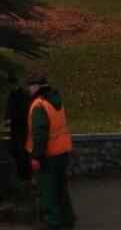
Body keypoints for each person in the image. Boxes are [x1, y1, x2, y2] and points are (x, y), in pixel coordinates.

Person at [25, 74, 76, 230]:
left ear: (36, 87)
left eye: (30, 86)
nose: (29, 89)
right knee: (61, 188)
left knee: (48, 190)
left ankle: (52, 223)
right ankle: (68, 219)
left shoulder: (39, 106)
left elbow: (40, 135)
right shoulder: (56, 101)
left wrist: (36, 157)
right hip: (62, 152)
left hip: (48, 156)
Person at [4, 74, 32, 180]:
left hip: (22, 127)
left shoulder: (23, 95)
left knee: (23, 151)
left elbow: (23, 111)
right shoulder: (12, 95)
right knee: (16, 151)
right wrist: (6, 118)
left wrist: (12, 119)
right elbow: (8, 109)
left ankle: (26, 175)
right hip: (14, 127)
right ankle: (21, 175)